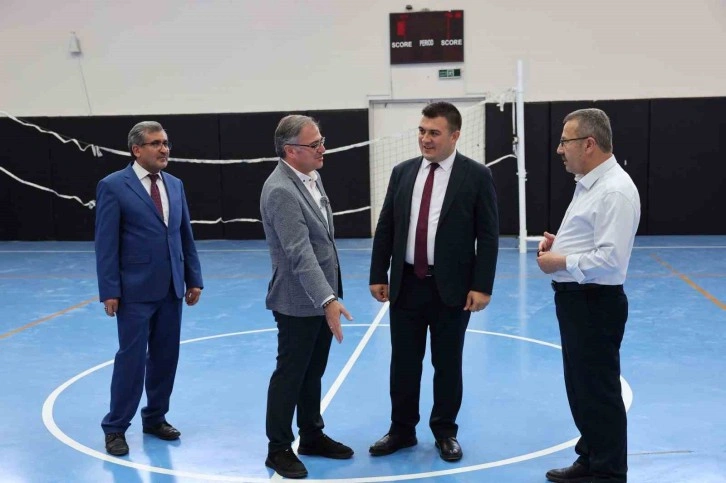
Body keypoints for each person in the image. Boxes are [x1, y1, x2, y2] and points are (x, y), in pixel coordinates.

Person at [368, 101, 499, 462]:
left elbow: (488, 236)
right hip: (407, 285)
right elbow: (386, 226)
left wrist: (482, 286)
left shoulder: (476, 176)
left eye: (434, 133)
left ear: (455, 136)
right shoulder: (402, 172)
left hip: (452, 290)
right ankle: (401, 429)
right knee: (404, 363)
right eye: (422, 131)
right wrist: (379, 273)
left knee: (447, 363)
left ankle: (445, 431)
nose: (425, 139)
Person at [537, 108, 640, 483]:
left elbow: (610, 259)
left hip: (595, 303)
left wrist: (559, 260)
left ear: (589, 143)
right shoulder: (590, 184)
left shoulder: (614, 191)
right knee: (582, 388)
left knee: (599, 390)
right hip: (578, 302)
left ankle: (609, 471)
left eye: (565, 141)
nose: (559, 149)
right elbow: (592, 241)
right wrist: (560, 244)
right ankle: (592, 457)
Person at [95, 121, 203, 457]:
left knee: (165, 358)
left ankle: (155, 417)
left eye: (166, 143)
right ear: (136, 149)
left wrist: (194, 277)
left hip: (172, 288)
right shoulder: (113, 186)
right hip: (134, 292)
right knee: (131, 360)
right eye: (156, 143)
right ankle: (115, 427)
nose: (164, 149)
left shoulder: (175, 184)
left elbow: (184, 234)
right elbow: (106, 244)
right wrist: (109, 290)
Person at [260, 114, 354, 479]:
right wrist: (328, 300)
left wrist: (328, 295)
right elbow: (299, 253)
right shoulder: (281, 191)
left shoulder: (311, 176)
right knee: (291, 374)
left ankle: (311, 434)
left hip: (320, 295)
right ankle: (278, 448)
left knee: (313, 371)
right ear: (290, 150)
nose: (323, 149)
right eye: (315, 144)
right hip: (297, 301)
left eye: (321, 141)